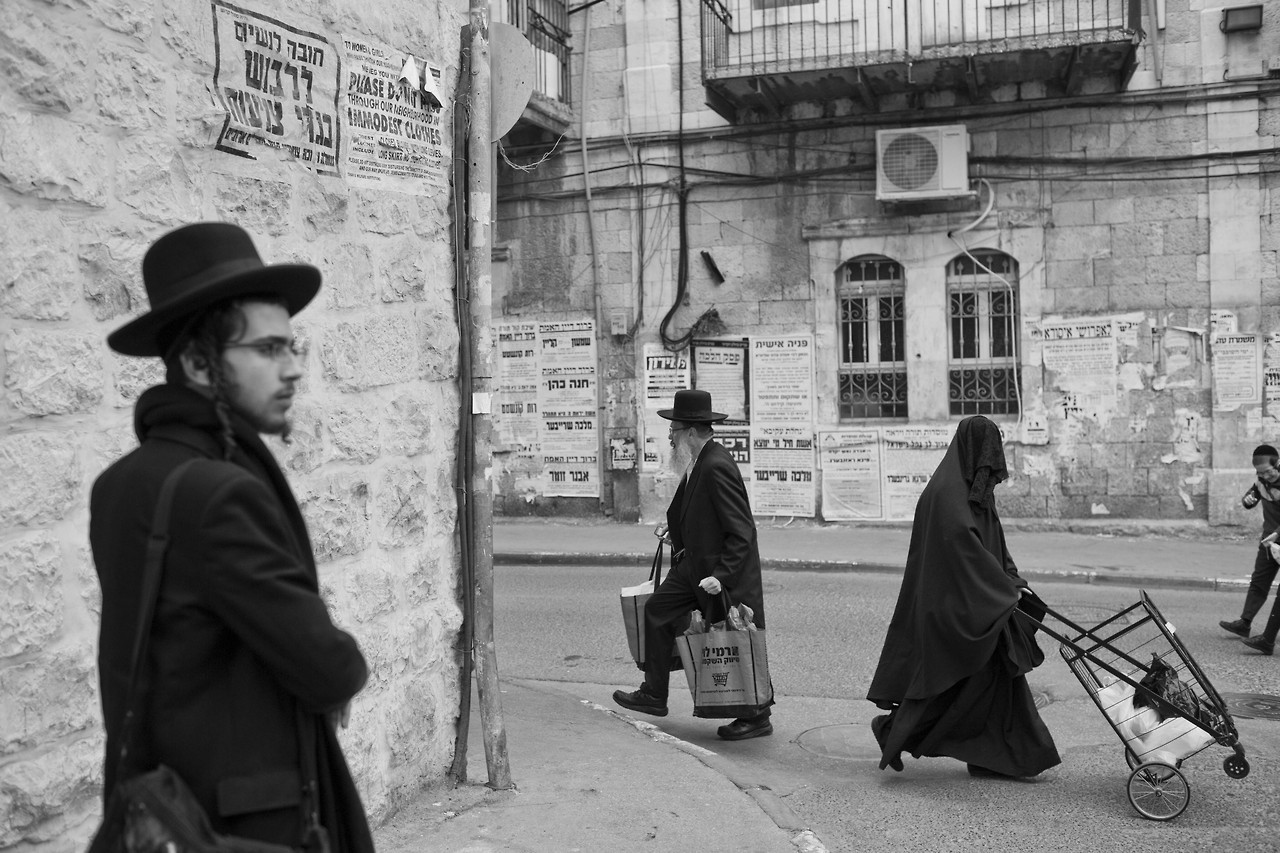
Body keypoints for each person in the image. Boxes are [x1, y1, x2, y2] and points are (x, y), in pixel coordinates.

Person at [89, 222, 374, 851]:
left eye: (293, 347)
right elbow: (325, 665)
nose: (294, 369)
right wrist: (342, 673)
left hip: (164, 808)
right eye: (269, 350)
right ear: (198, 361)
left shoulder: (121, 483)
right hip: (240, 825)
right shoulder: (220, 493)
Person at [867, 415, 1060, 778]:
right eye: (986, 457)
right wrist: (1003, 590)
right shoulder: (945, 496)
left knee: (985, 685)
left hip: (979, 604)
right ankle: (893, 731)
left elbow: (994, 545)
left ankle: (991, 755)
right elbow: (964, 555)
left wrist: (1013, 580)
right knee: (950, 686)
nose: (991, 468)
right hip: (952, 610)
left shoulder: (975, 491)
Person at [612, 389, 774, 740]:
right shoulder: (700, 460)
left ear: (689, 431)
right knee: (657, 611)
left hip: (715, 574)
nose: (669, 436)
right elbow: (704, 517)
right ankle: (654, 694)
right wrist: (679, 533)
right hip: (694, 567)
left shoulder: (716, 465)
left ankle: (757, 716)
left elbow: (742, 531)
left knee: (735, 638)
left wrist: (722, 576)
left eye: (673, 429)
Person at [1219, 444, 1280, 656]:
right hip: (1269, 542)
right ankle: (1245, 622)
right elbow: (1249, 500)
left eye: (1267, 471)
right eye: (1259, 472)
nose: (1263, 475)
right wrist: (1248, 500)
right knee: (1259, 581)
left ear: (1277, 463)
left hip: (1277, 537)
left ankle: (1268, 639)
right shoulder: (1261, 481)